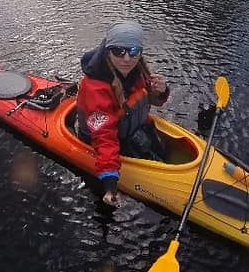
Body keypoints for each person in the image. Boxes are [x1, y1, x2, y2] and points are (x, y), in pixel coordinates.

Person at [76, 20, 177, 210]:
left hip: (130, 130)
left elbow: (151, 101)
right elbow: (104, 137)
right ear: (108, 51)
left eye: (133, 51)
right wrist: (110, 185)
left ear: (140, 52)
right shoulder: (95, 88)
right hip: (100, 140)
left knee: (161, 153)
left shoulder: (138, 70)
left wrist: (161, 91)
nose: (126, 59)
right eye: (118, 51)